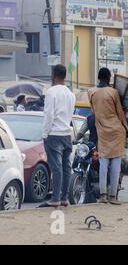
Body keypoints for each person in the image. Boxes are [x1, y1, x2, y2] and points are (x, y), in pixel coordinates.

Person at [88, 68, 128, 205]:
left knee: (103, 165)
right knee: (115, 166)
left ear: (99, 77)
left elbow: (94, 112)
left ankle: (103, 196)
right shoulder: (113, 92)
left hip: (102, 132)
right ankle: (113, 196)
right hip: (117, 131)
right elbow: (120, 113)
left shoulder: (92, 93)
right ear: (109, 78)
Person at [39, 65, 75, 208]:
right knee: (66, 167)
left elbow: (49, 115)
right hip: (67, 134)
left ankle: (55, 198)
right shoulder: (71, 94)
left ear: (54, 75)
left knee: (56, 168)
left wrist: (44, 133)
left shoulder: (51, 92)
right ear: (64, 76)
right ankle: (64, 198)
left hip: (54, 134)